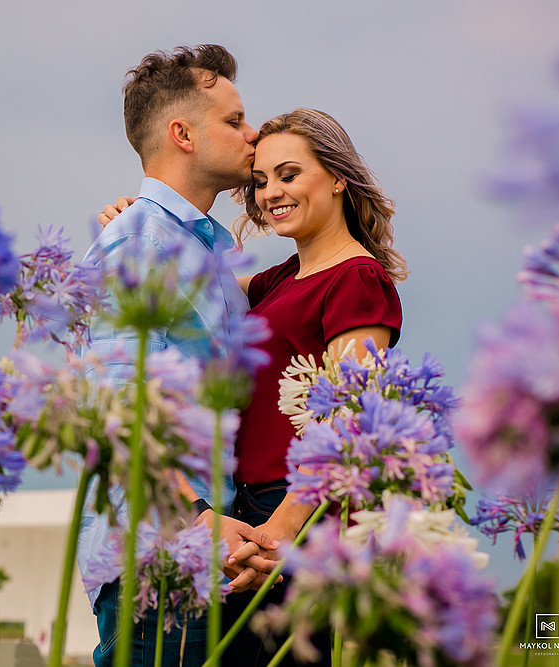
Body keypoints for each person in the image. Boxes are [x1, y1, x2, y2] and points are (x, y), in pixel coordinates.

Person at [98, 108, 406, 666]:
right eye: (261, 180)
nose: (270, 194)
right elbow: (191, 283)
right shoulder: (282, 278)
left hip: (298, 511)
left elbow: (347, 421)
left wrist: (280, 530)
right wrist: (138, 225)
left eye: (289, 175)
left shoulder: (357, 279)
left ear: (338, 178)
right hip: (250, 511)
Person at [77, 44, 281, 667]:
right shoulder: (135, 242)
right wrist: (197, 518)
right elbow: (117, 406)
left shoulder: (206, 250)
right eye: (234, 120)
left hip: (210, 558)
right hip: (156, 565)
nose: (252, 135)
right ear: (183, 134)